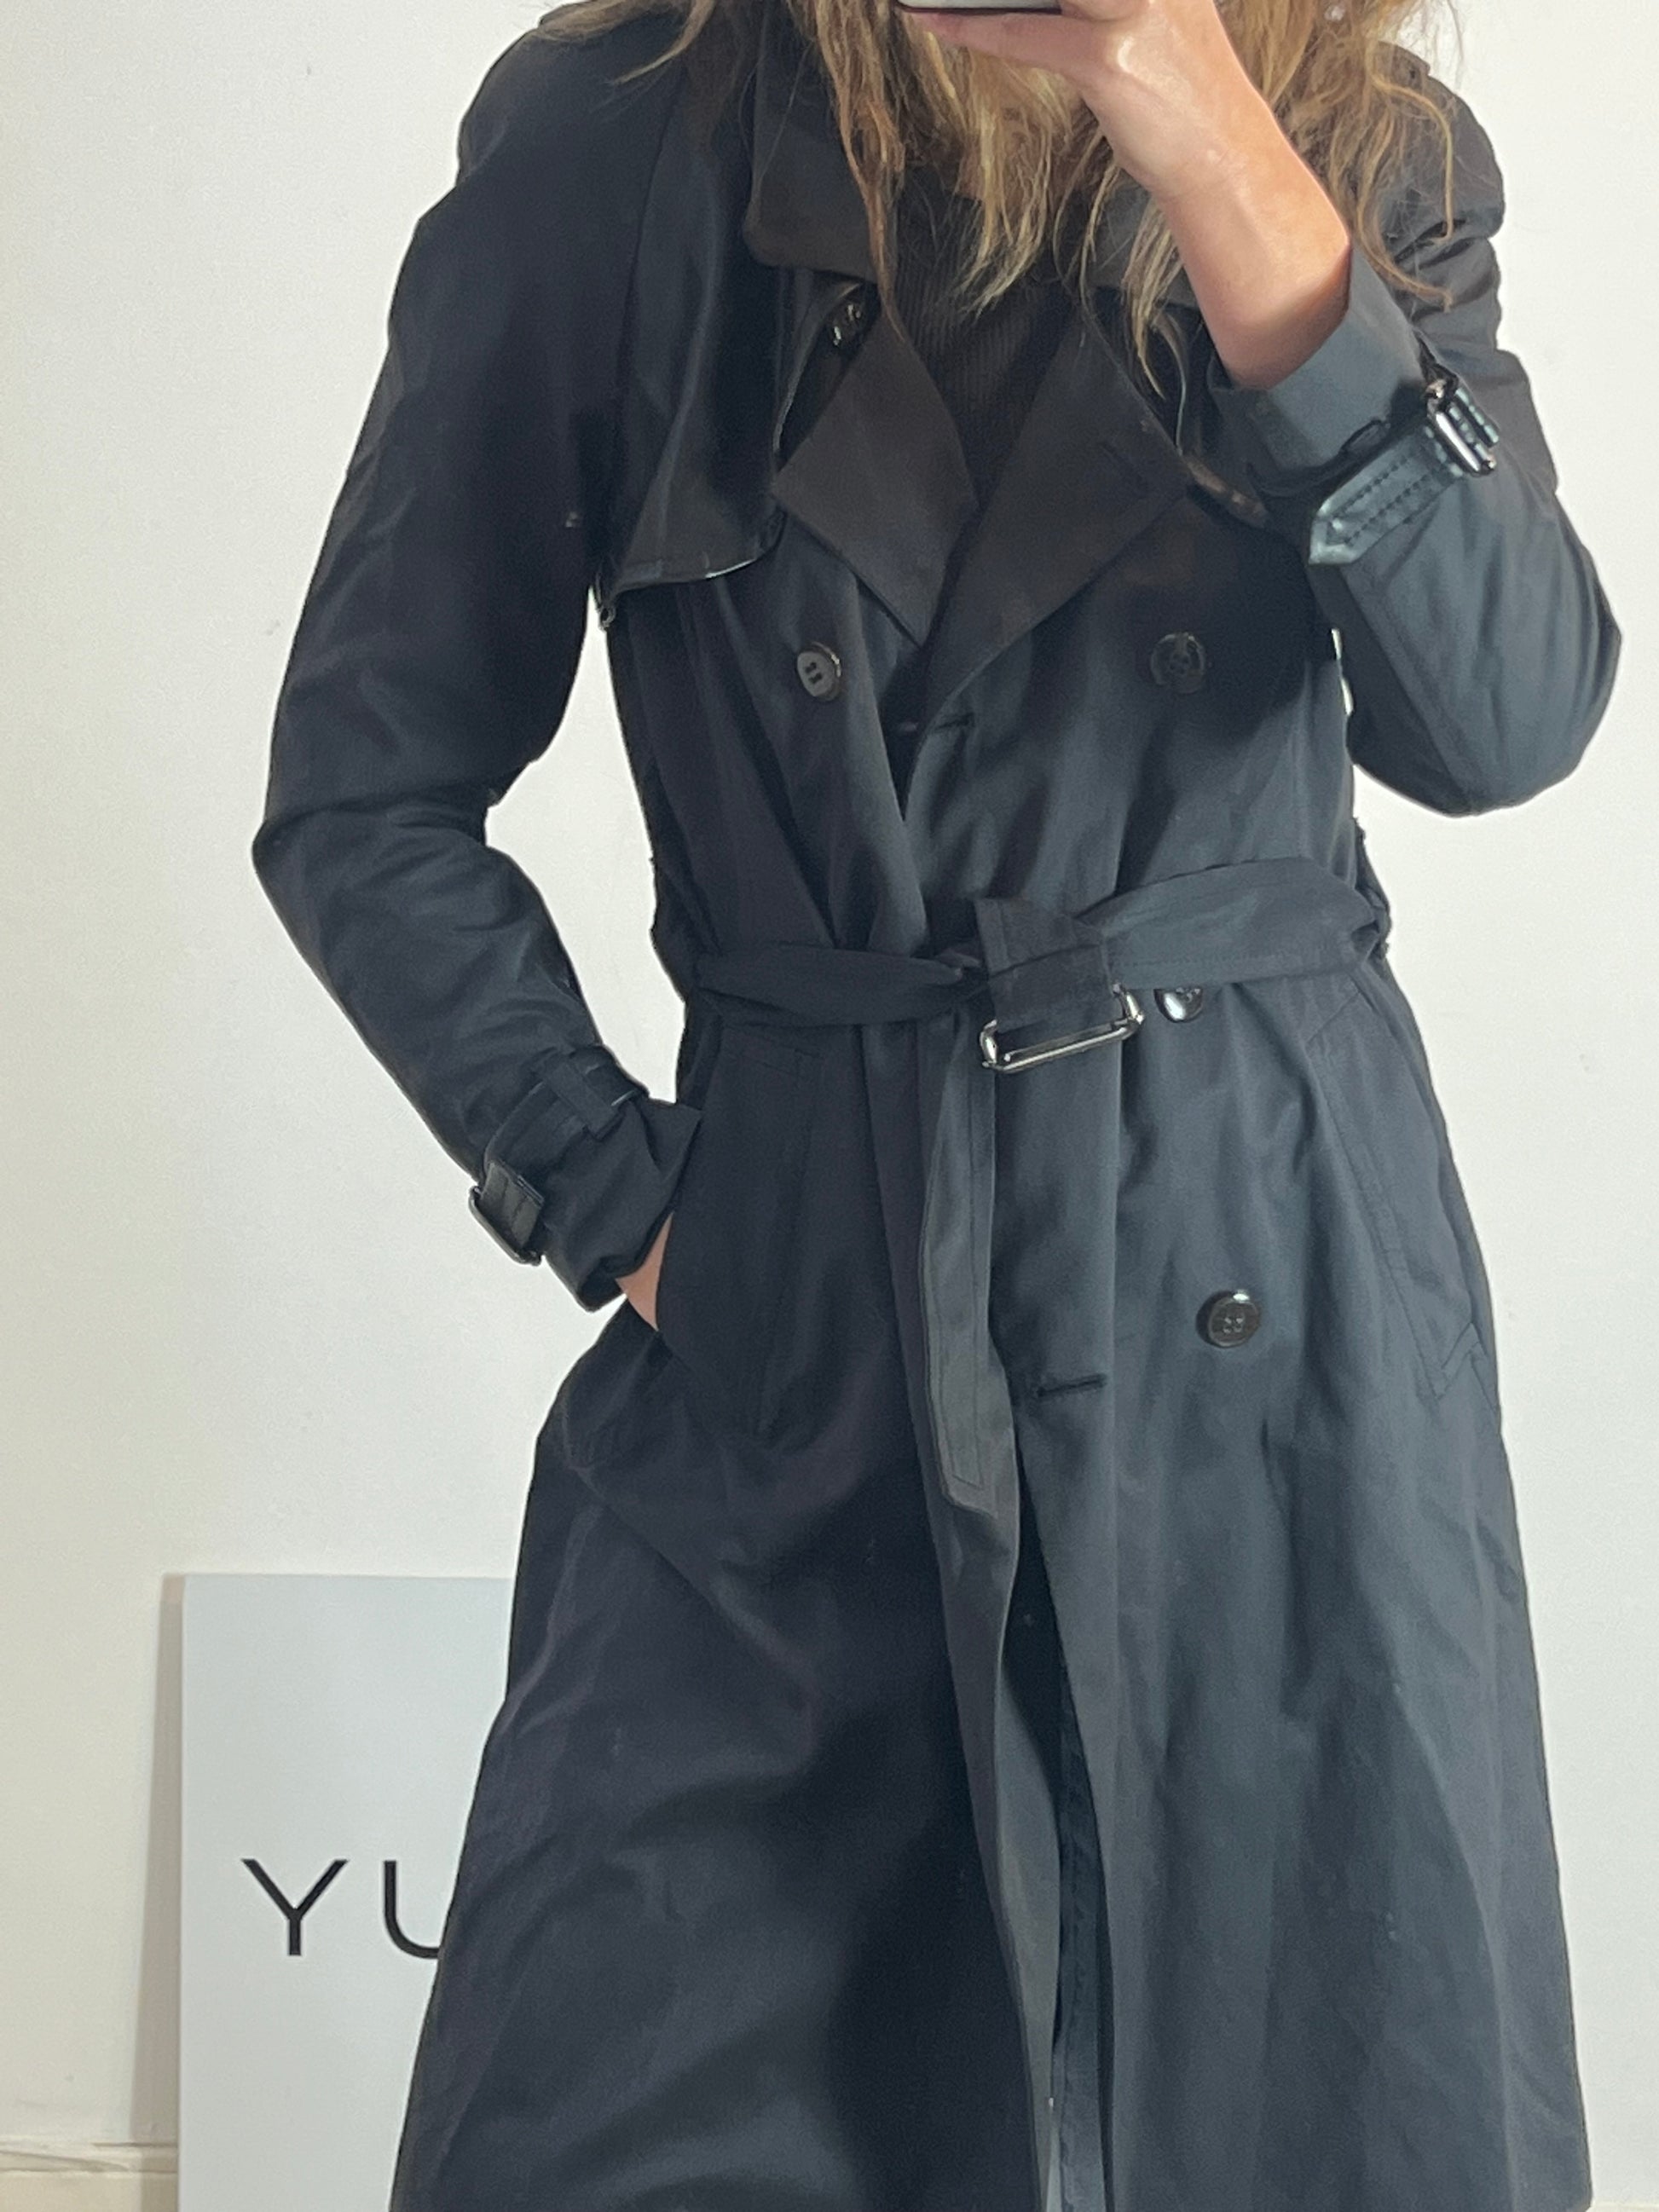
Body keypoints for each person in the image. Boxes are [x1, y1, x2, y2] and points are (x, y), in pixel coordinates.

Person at [251, 0, 1622, 2202]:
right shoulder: (624, 143)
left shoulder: (1355, 153)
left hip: (1263, 1300)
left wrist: (1203, 131)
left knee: (1305, 2107)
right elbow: (363, 791)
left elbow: (1507, 710)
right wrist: (630, 1203)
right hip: (812, 1325)